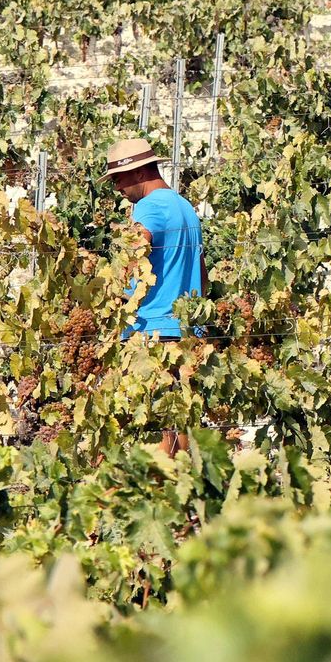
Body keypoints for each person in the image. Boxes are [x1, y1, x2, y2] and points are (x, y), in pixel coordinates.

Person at [102, 138, 205, 455]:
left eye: (118, 179)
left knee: (155, 442)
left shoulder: (150, 207)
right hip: (186, 334)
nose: (117, 188)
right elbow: (200, 270)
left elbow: (133, 255)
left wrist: (112, 291)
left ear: (137, 172)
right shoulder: (185, 208)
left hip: (153, 335)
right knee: (182, 436)